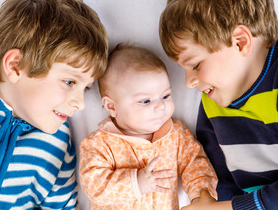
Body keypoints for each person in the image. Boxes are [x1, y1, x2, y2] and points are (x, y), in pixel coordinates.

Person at [159, 0, 278, 209]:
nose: (188, 83)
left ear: (241, 42)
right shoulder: (213, 102)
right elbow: (223, 183)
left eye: (195, 65)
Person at [0, 0, 109, 209]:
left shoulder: (57, 144)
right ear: (15, 66)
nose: (80, 104)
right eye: (70, 82)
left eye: (86, 88)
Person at [79, 44, 217, 209]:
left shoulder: (175, 134)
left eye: (165, 96)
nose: (160, 106)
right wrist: (136, 183)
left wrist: (200, 194)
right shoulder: (98, 144)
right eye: (146, 101)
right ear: (112, 107)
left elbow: (195, 163)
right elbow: (95, 186)